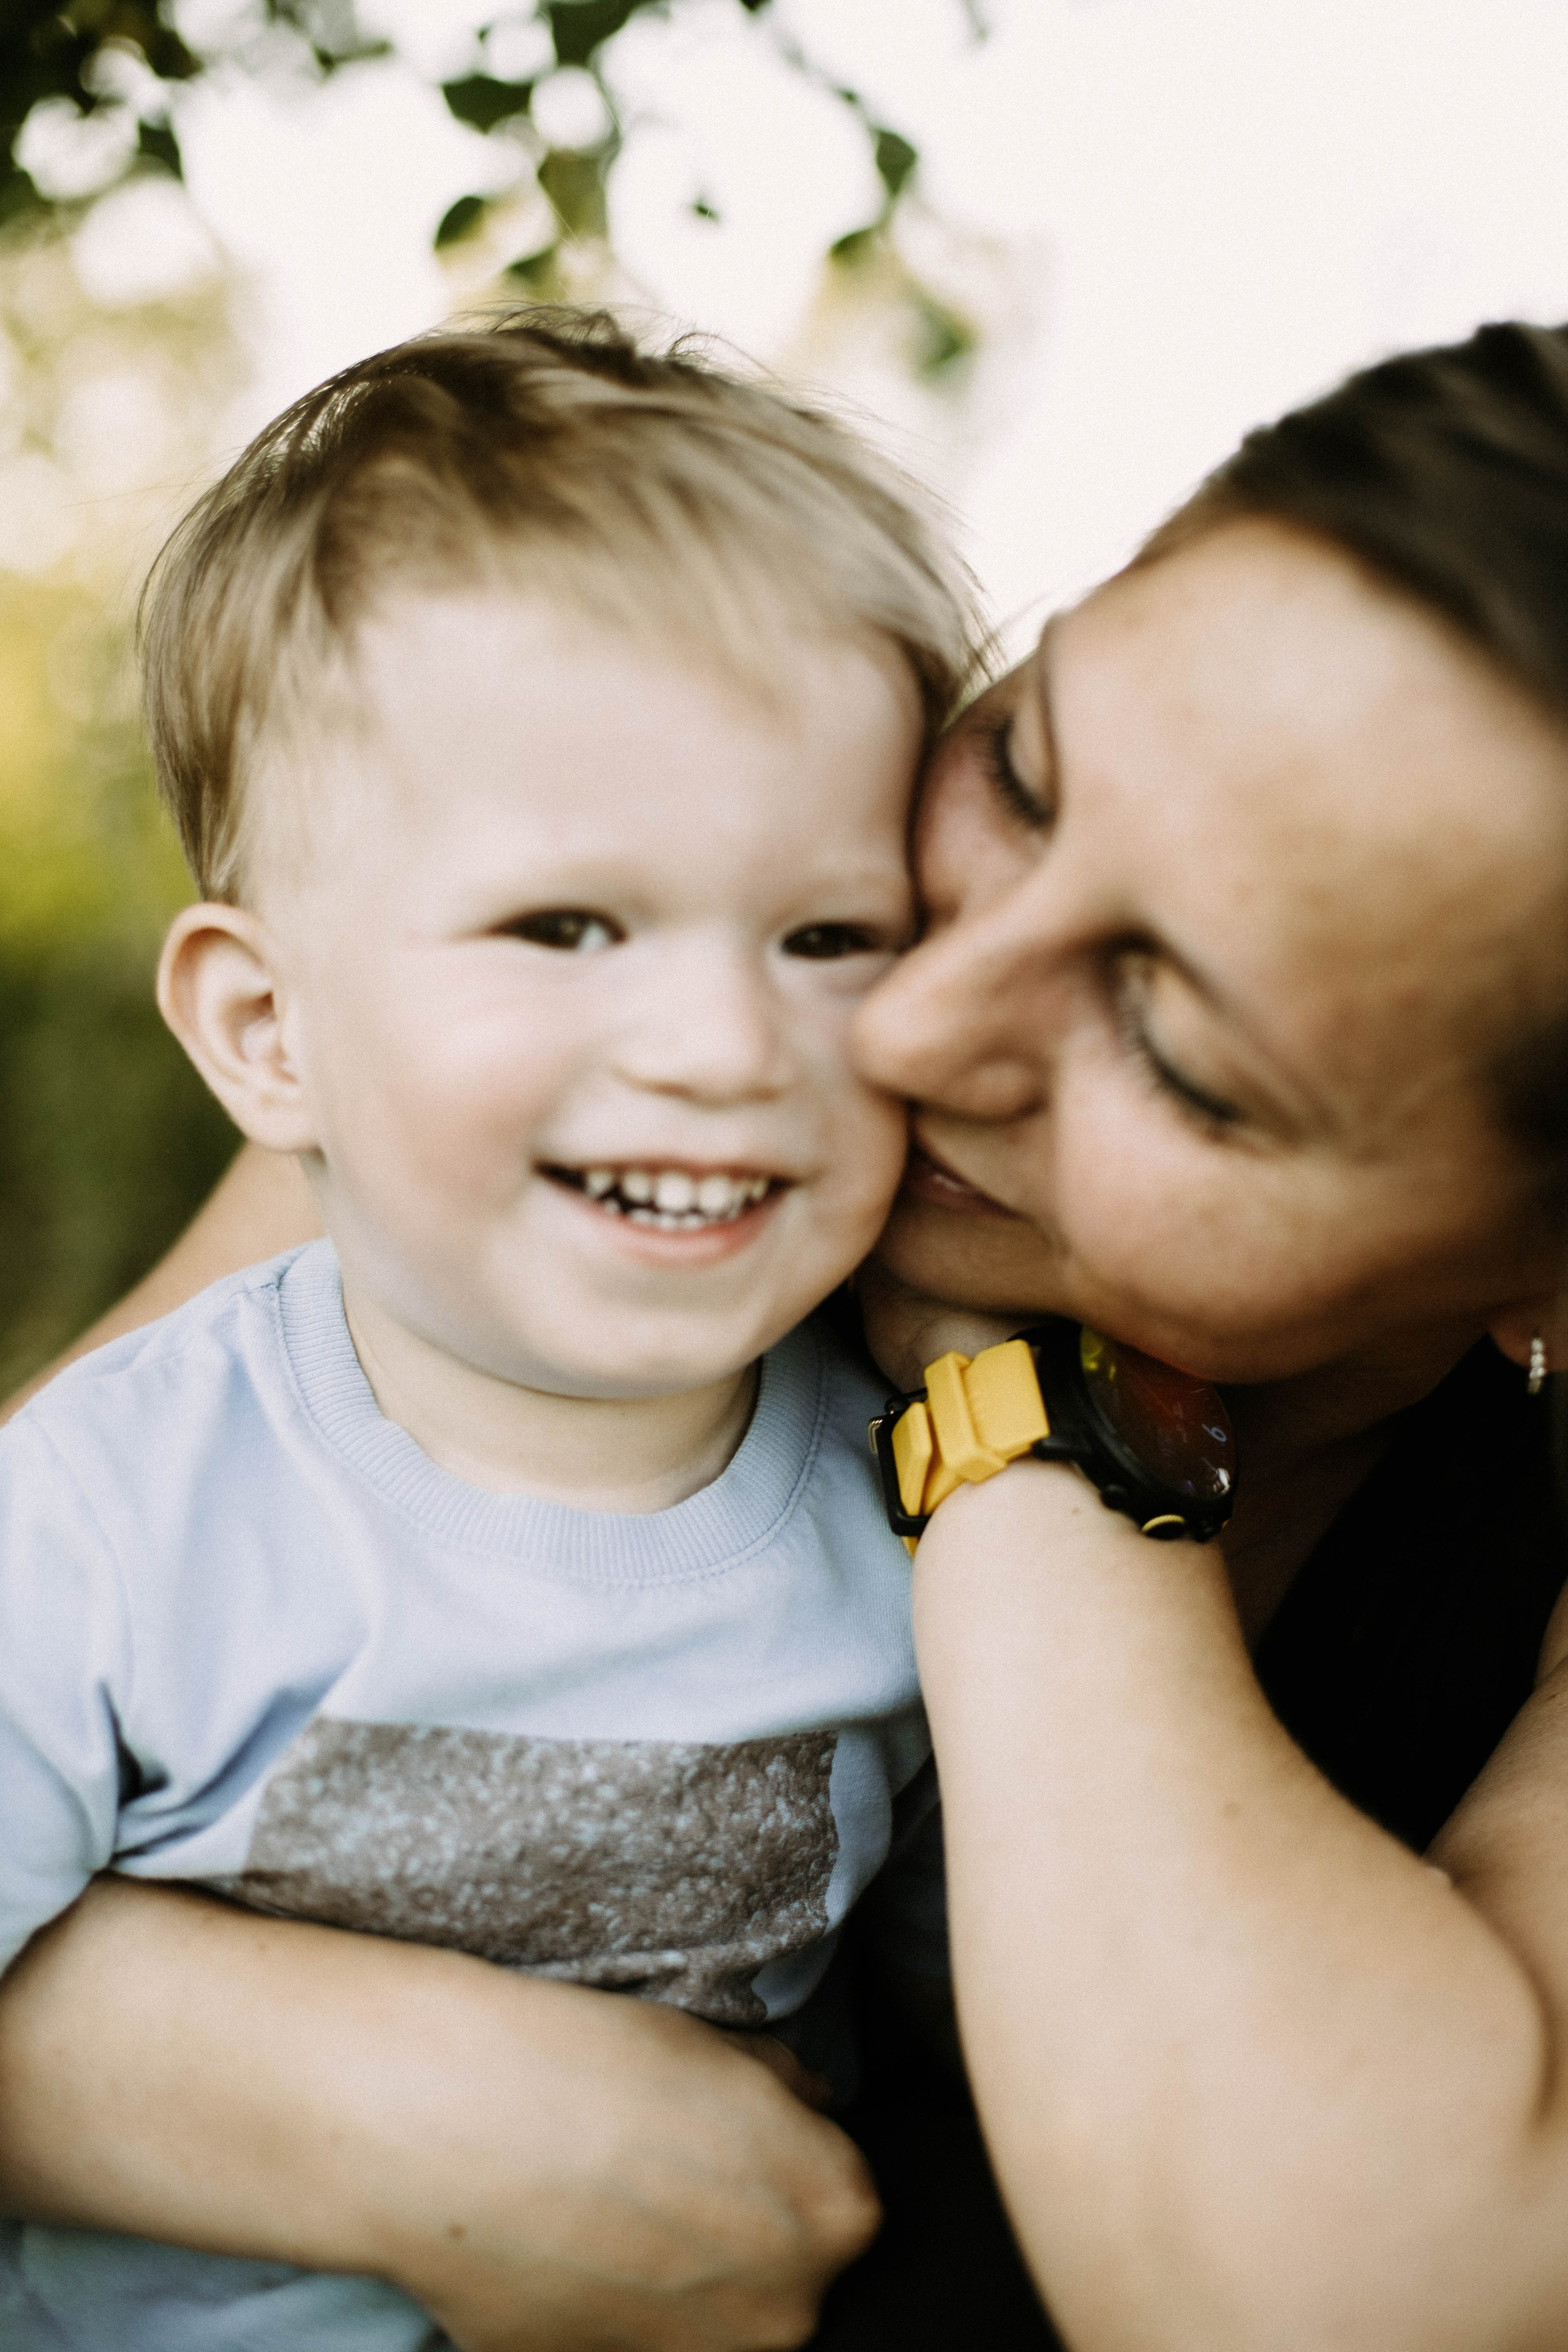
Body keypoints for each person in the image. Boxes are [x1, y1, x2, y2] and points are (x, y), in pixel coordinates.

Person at [3, 315, 1568, 2352]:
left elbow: (1347, 2290)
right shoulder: (485, 1203)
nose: (899, 1023)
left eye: (1177, 1049)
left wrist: (1009, 1431)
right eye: (1016, 775)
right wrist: (337, 2099)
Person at [0, 312, 981, 2351]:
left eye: (828, 937)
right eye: (566, 928)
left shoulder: (928, 1511)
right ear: (272, 1035)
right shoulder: (109, 1519)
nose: (721, 1046)